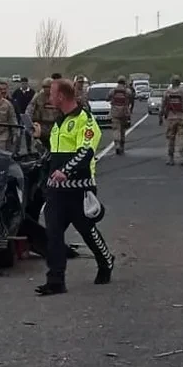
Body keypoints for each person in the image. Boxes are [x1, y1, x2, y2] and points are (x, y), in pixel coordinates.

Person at [35, 78, 114, 296]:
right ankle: (56, 281)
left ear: (61, 96)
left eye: (52, 93)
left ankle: (106, 262)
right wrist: (41, 136)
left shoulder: (85, 120)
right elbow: (56, 150)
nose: (49, 97)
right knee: (53, 235)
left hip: (79, 189)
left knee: (87, 231)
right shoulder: (59, 122)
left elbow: (86, 151)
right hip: (56, 190)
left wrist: (66, 171)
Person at [158, 75, 183, 166]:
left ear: (172, 82)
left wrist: (160, 117)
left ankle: (170, 158)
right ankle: (182, 158)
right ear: (179, 82)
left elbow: (162, 106)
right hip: (181, 117)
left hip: (171, 118)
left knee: (171, 138)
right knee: (182, 137)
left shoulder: (167, 93)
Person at [28, 77, 61, 146]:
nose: (47, 89)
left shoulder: (58, 96)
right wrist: (30, 124)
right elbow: (30, 109)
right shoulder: (38, 96)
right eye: (45, 87)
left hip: (55, 126)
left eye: (49, 87)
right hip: (41, 125)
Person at [108, 76, 134, 154]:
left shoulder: (113, 91)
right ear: (124, 82)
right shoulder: (127, 91)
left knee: (116, 129)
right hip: (124, 113)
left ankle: (117, 145)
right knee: (123, 130)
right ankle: (122, 145)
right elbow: (131, 98)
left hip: (115, 113)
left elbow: (108, 98)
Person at [11, 76, 35, 151]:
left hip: (28, 115)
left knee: (28, 132)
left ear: (27, 84)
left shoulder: (32, 92)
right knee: (19, 133)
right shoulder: (17, 91)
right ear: (21, 84)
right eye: (22, 83)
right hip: (19, 115)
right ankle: (17, 149)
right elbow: (12, 100)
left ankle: (29, 149)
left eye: (25, 83)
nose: (24, 85)